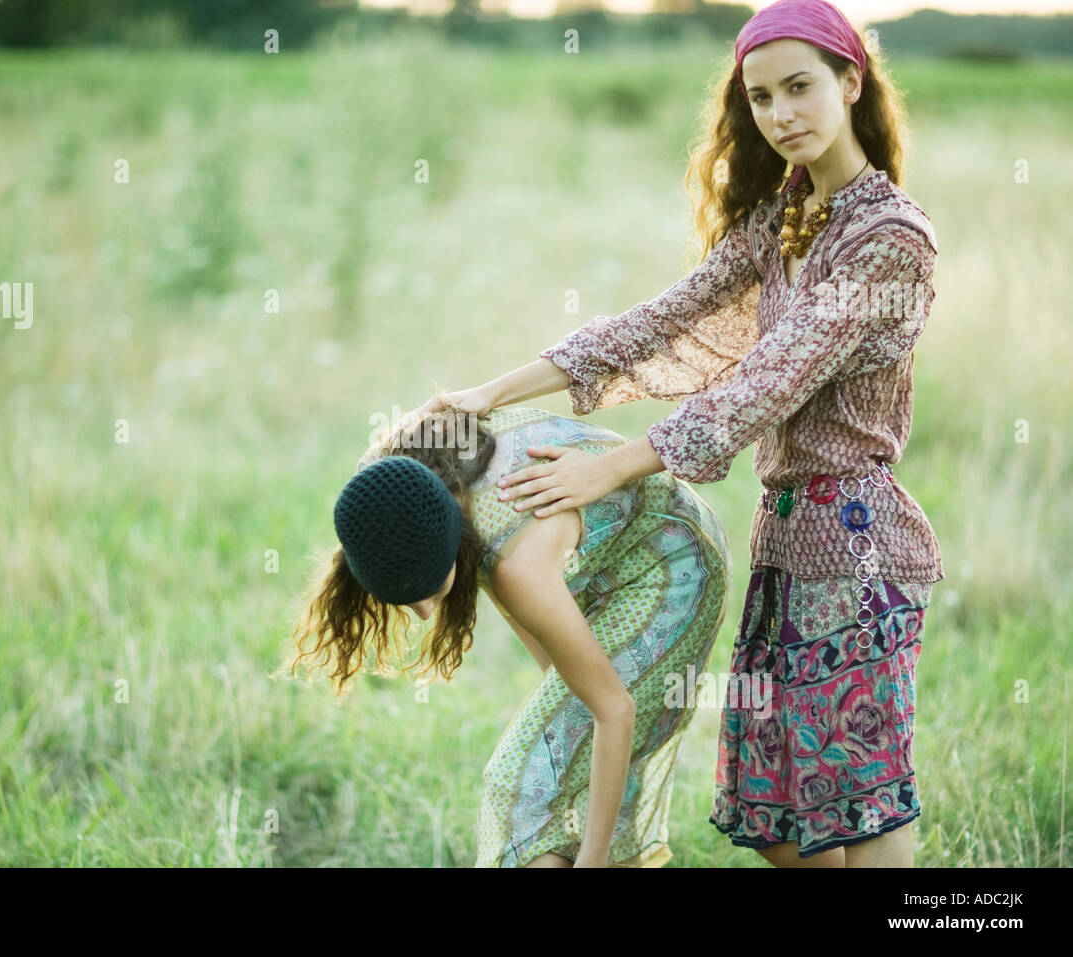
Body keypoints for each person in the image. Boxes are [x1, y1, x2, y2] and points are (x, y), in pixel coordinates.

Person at [402, 0, 943, 868]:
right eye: (761, 98)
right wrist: (482, 392)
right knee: (778, 822)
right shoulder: (781, 220)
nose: (781, 116)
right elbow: (653, 324)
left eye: (800, 88)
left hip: (860, 547)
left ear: (851, 82)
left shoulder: (892, 242)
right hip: (784, 541)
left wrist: (611, 468)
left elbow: (772, 380)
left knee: (858, 804)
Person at [282, 404, 733, 867]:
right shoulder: (399, 481)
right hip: (611, 558)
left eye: (429, 590)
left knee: (517, 782)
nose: (423, 614)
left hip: (673, 566)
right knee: (544, 774)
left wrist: (591, 860)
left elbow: (614, 708)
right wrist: (564, 712)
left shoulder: (519, 563)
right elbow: (529, 625)